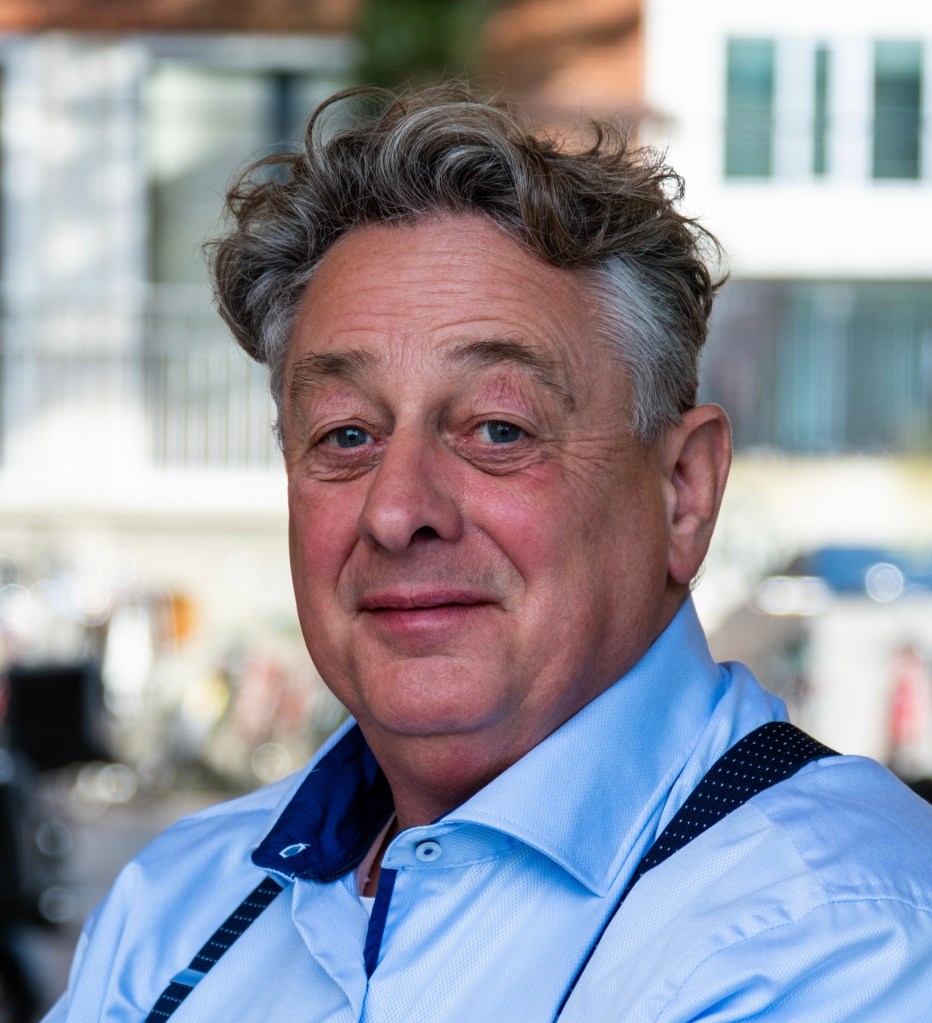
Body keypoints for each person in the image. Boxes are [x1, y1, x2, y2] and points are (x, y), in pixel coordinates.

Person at [46, 83, 932, 1022]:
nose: (397, 510)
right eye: (346, 435)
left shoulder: (838, 934)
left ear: (684, 492)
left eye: (498, 428)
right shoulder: (176, 909)